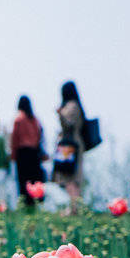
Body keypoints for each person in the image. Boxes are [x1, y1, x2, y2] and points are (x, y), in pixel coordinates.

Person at [53, 81, 85, 215]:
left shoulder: (71, 106)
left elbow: (68, 124)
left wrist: (60, 113)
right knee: (70, 177)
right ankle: (74, 207)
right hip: (73, 144)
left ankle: (74, 208)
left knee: (69, 176)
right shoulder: (77, 105)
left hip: (70, 145)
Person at [10, 95, 45, 206]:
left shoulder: (18, 119)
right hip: (34, 153)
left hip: (23, 153)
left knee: (24, 180)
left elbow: (14, 139)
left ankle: (26, 204)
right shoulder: (35, 120)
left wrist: (13, 155)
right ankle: (35, 203)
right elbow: (40, 136)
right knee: (34, 181)